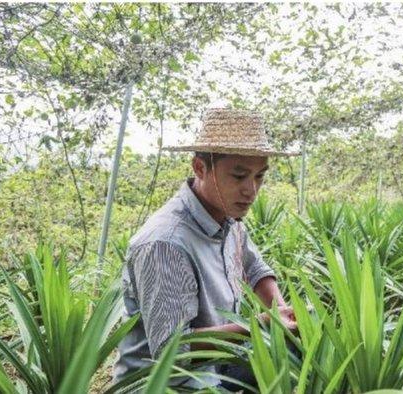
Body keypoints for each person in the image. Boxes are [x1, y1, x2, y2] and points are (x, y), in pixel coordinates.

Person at [113, 108, 299, 391]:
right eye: (239, 176)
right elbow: (172, 351)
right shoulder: (165, 243)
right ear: (200, 168)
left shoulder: (228, 218)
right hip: (167, 384)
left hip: (216, 364)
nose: (252, 190)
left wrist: (283, 311)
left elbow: (255, 269)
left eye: (259, 176)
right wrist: (262, 325)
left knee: (300, 360)